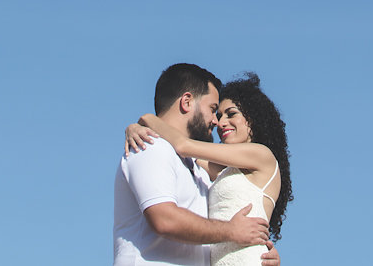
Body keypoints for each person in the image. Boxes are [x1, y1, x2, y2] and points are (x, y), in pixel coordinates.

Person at [114, 64, 282, 266]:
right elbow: (165, 219)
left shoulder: (204, 169)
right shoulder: (150, 146)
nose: (217, 122)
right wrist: (141, 124)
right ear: (186, 102)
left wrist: (262, 252)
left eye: (230, 114)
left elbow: (184, 146)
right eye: (214, 111)